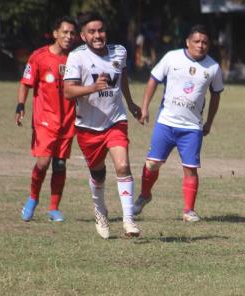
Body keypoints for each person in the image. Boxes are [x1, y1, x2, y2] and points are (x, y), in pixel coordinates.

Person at [132, 24, 223, 222]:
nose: (201, 46)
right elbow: (153, 79)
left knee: (190, 168)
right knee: (152, 163)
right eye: (197, 41)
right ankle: (144, 195)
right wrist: (145, 107)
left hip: (192, 128)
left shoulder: (214, 67)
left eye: (205, 42)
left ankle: (188, 210)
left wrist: (209, 122)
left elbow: (216, 95)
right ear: (188, 42)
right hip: (166, 123)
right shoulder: (172, 57)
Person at [63, 12, 143, 239]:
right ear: (83, 35)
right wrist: (92, 88)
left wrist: (131, 103)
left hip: (115, 120)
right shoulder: (76, 57)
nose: (98, 35)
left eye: (101, 30)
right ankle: (100, 212)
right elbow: (68, 91)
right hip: (88, 126)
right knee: (98, 174)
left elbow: (123, 77)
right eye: (92, 31)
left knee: (123, 165)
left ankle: (129, 220)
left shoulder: (119, 51)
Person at [17, 16, 77, 222]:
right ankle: (33, 198)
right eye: (65, 32)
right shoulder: (39, 56)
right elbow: (25, 83)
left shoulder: (75, 58)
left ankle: (53, 208)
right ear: (55, 34)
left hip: (68, 120)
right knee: (43, 163)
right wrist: (20, 105)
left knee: (60, 164)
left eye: (72, 33)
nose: (69, 36)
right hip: (44, 120)